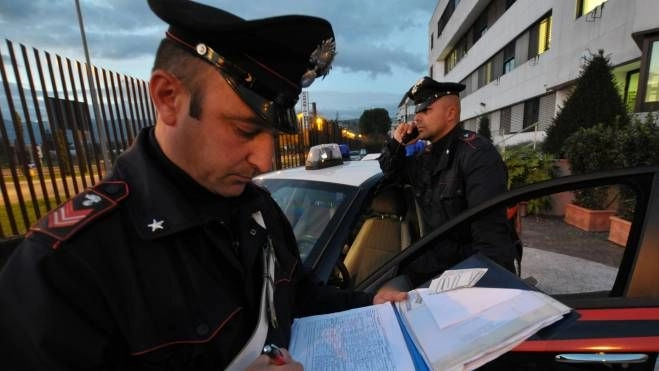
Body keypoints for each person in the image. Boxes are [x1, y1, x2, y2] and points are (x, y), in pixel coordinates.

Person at [0, 1, 405, 369]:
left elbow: (299, 296)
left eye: (273, 137)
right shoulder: (65, 265)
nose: (263, 160)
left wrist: (368, 303)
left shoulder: (259, 209)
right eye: (245, 130)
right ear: (168, 97)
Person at [379, 76, 518, 286]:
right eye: (417, 111)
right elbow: (391, 171)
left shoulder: (477, 156)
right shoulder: (427, 157)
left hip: (464, 275)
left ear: (451, 113)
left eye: (425, 110)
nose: (417, 118)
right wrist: (398, 142)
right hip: (432, 265)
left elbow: (491, 247)